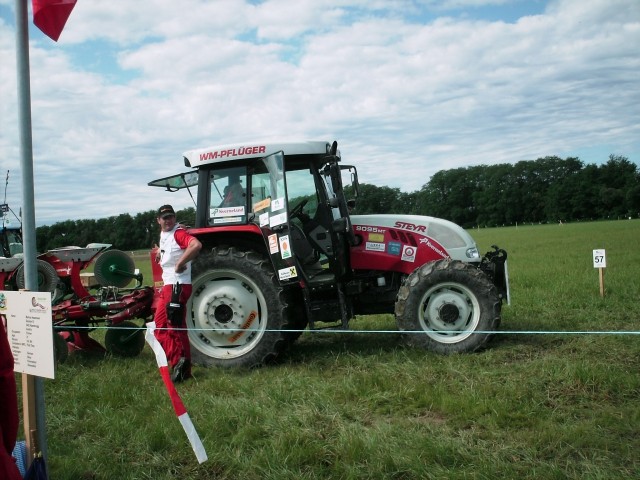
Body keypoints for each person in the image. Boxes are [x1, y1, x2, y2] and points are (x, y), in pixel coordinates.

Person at [154, 205, 202, 383]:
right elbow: (168, 245)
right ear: (158, 220)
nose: (168, 220)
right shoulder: (165, 234)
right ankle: (177, 362)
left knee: (175, 326)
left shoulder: (178, 233)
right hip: (167, 286)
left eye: (171, 217)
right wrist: (160, 251)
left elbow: (195, 245)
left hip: (177, 286)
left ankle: (184, 370)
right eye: (165, 218)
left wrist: (180, 263)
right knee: (159, 327)